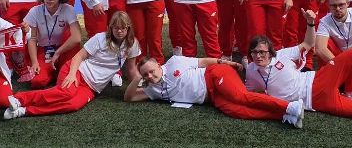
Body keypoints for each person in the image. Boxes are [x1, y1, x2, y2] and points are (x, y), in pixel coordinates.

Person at [3, 11, 140, 120]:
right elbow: (78, 56)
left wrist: (142, 83)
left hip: (93, 87)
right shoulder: (101, 38)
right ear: (111, 28)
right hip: (78, 71)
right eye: (116, 28)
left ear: (128, 29)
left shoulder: (132, 44)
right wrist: (72, 74)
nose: (120, 31)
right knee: (65, 93)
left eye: (123, 28)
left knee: (73, 105)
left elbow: (132, 68)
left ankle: (24, 111)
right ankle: (19, 99)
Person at [123, 56, 305, 128]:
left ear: (157, 63)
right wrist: (137, 78)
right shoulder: (151, 89)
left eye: (151, 70)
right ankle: (283, 116)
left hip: (214, 75)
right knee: (236, 111)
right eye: (146, 73)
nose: (150, 75)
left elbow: (203, 61)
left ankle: (290, 106)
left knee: (240, 97)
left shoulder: (174, 62)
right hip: (211, 98)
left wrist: (229, 64)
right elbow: (129, 97)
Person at [23, 0, 82, 89]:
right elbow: (32, 38)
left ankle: (59, 70)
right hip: (44, 51)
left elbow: (77, 37)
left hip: (64, 50)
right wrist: (34, 62)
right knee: (37, 82)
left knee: (65, 81)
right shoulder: (35, 11)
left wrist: (58, 52)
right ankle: (53, 71)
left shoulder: (68, 9)